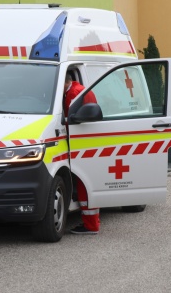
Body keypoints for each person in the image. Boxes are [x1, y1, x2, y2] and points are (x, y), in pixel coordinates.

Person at [63, 73, 100, 235]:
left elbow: (70, 119)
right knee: (85, 183)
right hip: (83, 143)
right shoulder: (76, 91)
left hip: (82, 144)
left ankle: (91, 225)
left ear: (65, 82)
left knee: (85, 185)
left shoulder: (75, 93)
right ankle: (91, 223)